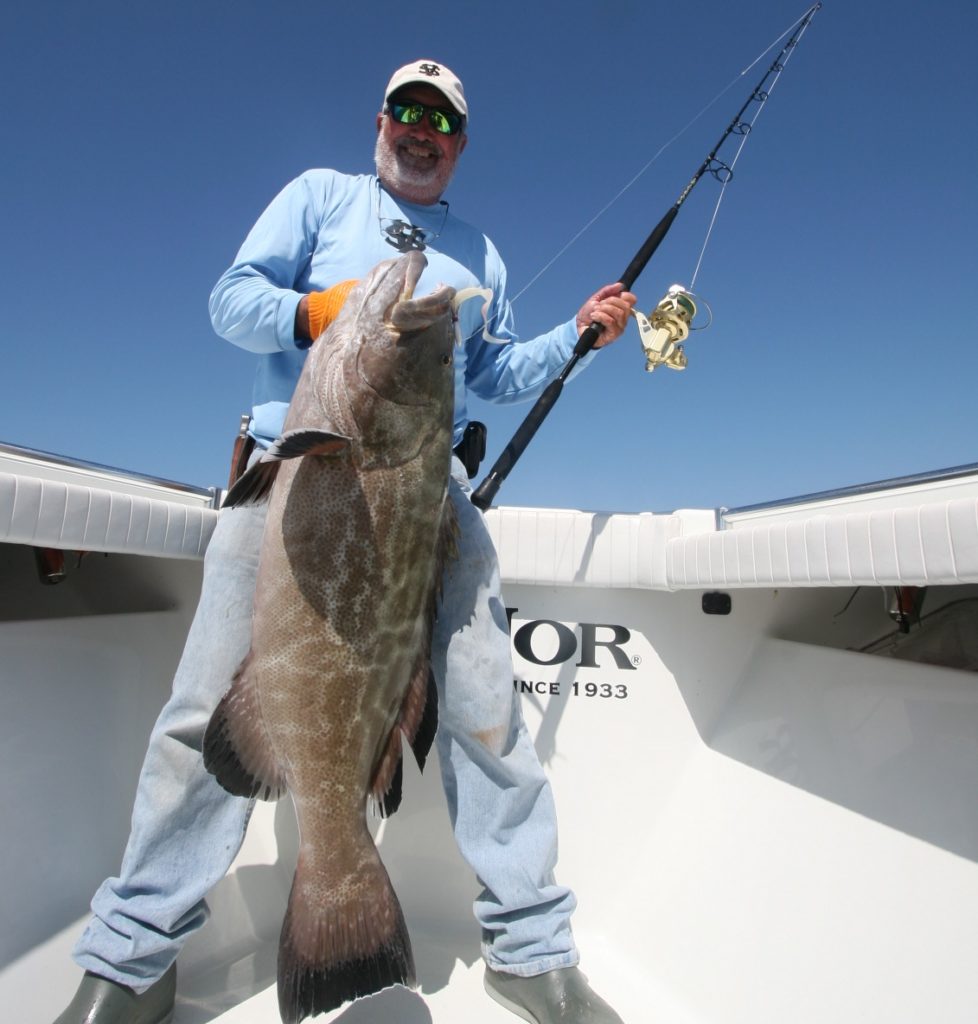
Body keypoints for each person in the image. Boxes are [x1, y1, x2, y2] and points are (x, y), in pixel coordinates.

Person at [54, 59, 635, 1024]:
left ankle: (531, 949)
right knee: (206, 715)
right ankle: (133, 957)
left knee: (492, 717)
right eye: (407, 111)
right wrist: (312, 312)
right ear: (381, 122)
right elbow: (229, 301)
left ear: (459, 144)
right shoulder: (320, 197)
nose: (422, 130)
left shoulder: (481, 253)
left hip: (428, 499)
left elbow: (491, 373)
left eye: (441, 121)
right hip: (299, 475)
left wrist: (578, 334)